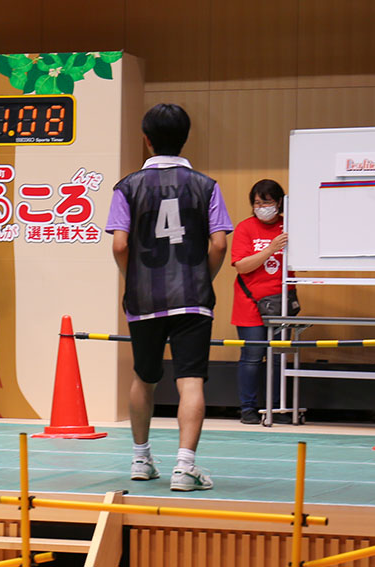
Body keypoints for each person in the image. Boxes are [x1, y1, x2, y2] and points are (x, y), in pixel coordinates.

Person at [106, 103, 232, 491]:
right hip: (193, 297)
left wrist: (135, 279)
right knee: (190, 381)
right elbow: (219, 243)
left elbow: (120, 245)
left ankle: (140, 459)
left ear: (146, 139)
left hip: (144, 298)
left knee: (144, 377)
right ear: (185, 138)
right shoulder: (207, 185)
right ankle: (184, 467)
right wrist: (203, 277)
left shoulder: (126, 187)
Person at [231, 179, 293, 425]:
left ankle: (277, 408)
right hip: (250, 302)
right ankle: (248, 408)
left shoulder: (289, 226)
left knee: (278, 357)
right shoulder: (245, 228)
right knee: (252, 356)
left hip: (281, 302)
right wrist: (270, 249)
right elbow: (241, 265)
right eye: (257, 203)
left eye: (266, 202)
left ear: (278, 203)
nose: (261, 207)